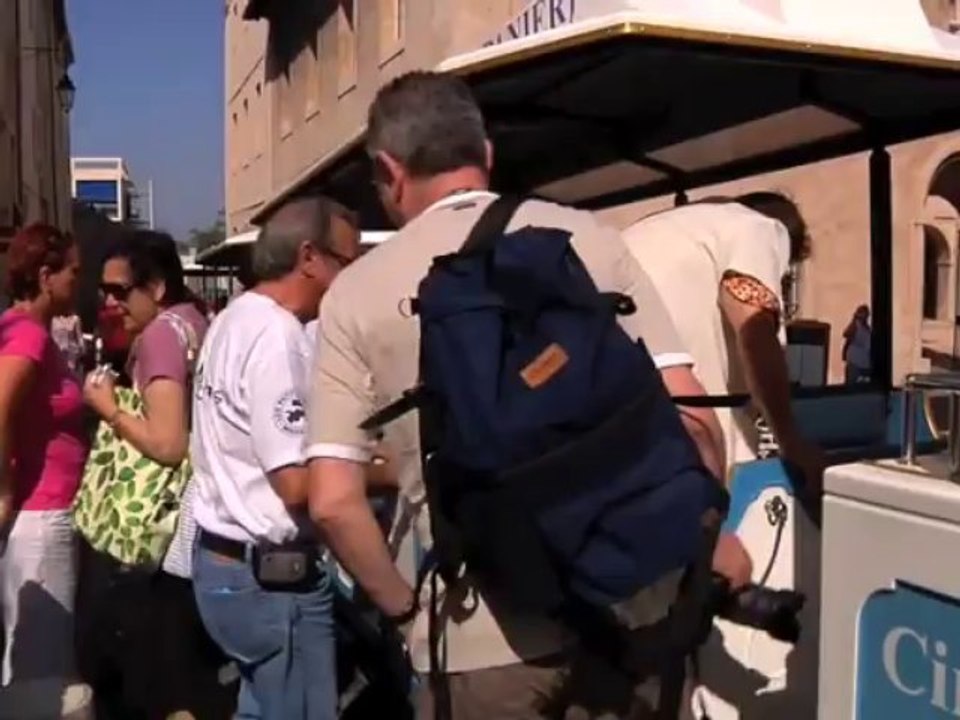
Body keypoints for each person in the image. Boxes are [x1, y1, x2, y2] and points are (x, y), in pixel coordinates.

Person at [305, 71, 751, 720]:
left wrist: (407, 613)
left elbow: (334, 503)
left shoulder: (356, 294)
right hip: (639, 608)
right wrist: (696, 545)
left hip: (480, 638)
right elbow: (691, 419)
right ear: (485, 155)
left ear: (389, 171)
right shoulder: (590, 239)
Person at [622, 194, 826, 719]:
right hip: (685, 446)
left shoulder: (657, 231)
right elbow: (754, 325)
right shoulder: (758, 229)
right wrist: (791, 437)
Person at [191, 196, 360, 720]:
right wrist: (386, 471)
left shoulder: (232, 318)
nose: (350, 281)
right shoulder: (276, 335)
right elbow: (294, 482)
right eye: (347, 264)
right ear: (310, 257)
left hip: (224, 565)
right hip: (270, 580)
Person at [77, 230, 234, 720]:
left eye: (121, 292)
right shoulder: (195, 323)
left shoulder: (162, 335)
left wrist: (109, 410)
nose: (109, 302)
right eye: (104, 292)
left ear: (158, 287)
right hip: (201, 524)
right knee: (186, 671)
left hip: (164, 533)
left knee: (163, 682)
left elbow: (167, 445)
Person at [0, 224, 86, 685]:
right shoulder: (29, 336)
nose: (79, 281)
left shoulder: (24, 331)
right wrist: (5, 491)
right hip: (42, 515)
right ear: (46, 274)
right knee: (42, 673)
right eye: (73, 271)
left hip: (42, 514)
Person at [842, 304, 871, 384]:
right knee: (851, 384)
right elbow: (846, 334)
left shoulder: (867, 329)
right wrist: (855, 319)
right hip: (854, 361)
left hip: (865, 362)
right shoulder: (855, 325)